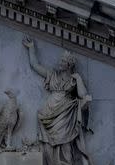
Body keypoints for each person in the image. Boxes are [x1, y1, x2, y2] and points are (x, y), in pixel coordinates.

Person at [22, 36, 92, 165]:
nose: (59, 63)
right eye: (60, 61)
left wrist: (78, 79)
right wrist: (31, 48)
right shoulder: (52, 75)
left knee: (66, 146)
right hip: (47, 115)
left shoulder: (73, 79)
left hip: (65, 115)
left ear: (68, 65)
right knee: (47, 145)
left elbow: (83, 95)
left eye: (62, 62)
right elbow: (35, 65)